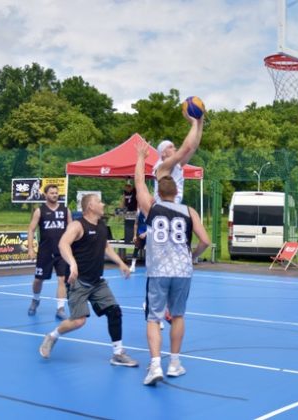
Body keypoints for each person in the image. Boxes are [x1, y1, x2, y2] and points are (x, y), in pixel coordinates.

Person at [135, 139, 210, 386]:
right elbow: (206, 241)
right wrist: (193, 256)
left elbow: (138, 184)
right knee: (177, 316)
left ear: (158, 188)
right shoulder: (189, 211)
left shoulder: (151, 207)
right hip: (182, 270)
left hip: (158, 270)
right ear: (176, 191)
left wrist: (139, 158)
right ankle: (175, 363)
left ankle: (155, 365)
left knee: (154, 319)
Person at [39, 193, 138, 368]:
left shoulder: (101, 225)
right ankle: (52, 336)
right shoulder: (78, 225)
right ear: (90, 206)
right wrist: (73, 264)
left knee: (114, 311)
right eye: (99, 202)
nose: (103, 203)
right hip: (79, 281)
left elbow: (106, 246)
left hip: (97, 281)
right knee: (79, 321)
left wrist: (121, 263)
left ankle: (117, 354)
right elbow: (63, 244)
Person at [27, 184, 72, 320]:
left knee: (62, 279)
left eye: (56, 193)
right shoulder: (40, 211)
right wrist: (30, 248)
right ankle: (35, 299)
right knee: (38, 280)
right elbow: (31, 230)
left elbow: (71, 230)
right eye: (51, 193)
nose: (54, 195)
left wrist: (73, 247)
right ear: (45, 195)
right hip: (45, 251)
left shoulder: (66, 210)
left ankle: (60, 308)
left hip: (62, 251)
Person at [153, 108, 204, 204]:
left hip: (172, 206)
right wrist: (193, 123)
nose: (175, 149)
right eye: (170, 147)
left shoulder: (176, 164)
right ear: (163, 153)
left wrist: (200, 122)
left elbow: (193, 147)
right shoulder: (163, 166)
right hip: (164, 207)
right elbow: (186, 148)